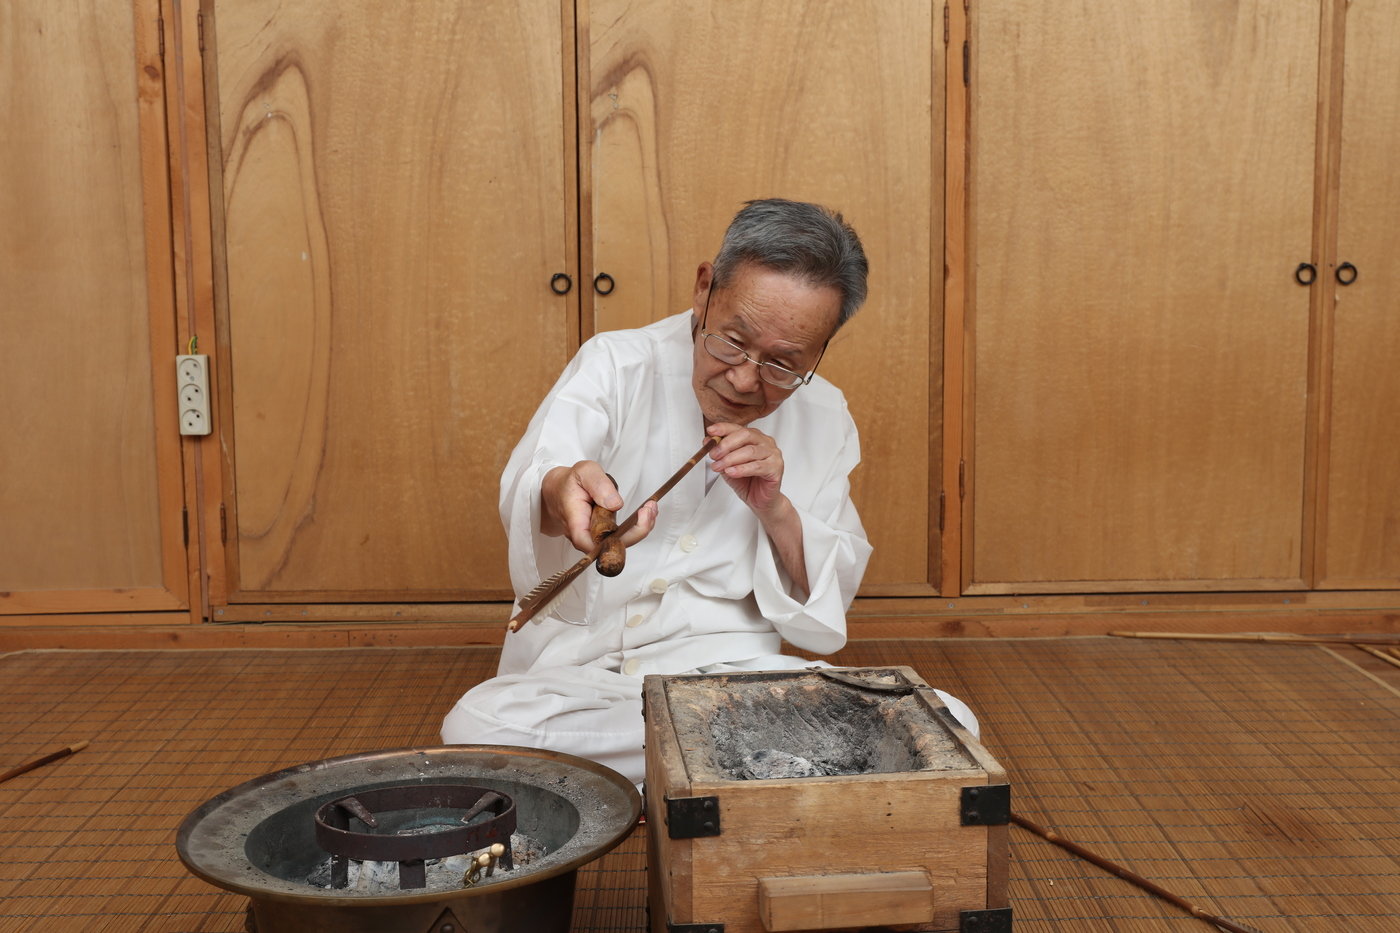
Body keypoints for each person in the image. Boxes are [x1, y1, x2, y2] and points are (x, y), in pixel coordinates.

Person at [442, 198, 977, 784]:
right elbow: (542, 478)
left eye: (782, 365)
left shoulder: (825, 414)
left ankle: (676, 774)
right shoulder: (616, 365)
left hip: (736, 679)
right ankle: (748, 773)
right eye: (733, 342)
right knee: (478, 727)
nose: (745, 379)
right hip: (589, 673)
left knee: (950, 719)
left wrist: (775, 509)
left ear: (822, 349)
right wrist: (563, 490)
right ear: (704, 289)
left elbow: (823, 593)